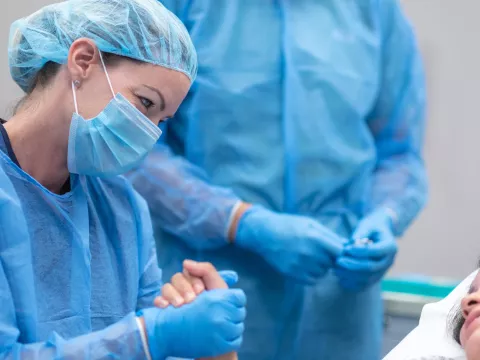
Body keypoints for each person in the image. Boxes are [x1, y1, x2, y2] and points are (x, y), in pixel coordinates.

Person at [128, 0, 428, 359]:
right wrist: (239, 221)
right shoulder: (184, 7)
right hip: (209, 280)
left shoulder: (375, 11)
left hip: (339, 299)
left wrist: (385, 216)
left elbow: (400, 152)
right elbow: (138, 145)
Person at [0, 0, 246, 359]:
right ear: (82, 60)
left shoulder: (122, 208)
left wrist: (207, 346)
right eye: (147, 104)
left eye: (162, 121)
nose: (150, 132)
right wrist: (148, 336)